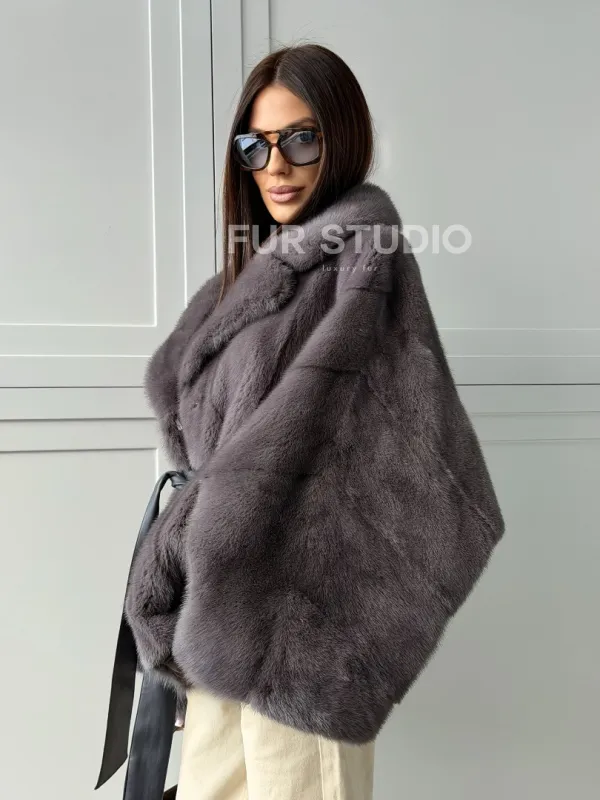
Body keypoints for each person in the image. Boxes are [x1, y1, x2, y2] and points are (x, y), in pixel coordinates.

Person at [119, 43, 505, 800]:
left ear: (342, 138)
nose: (276, 165)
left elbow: (364, 450)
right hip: (220, 619)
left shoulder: (365, 261)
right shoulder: (251, 278)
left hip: (299, 634)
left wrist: (221, 531)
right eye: (255, 146)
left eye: (300, 139)